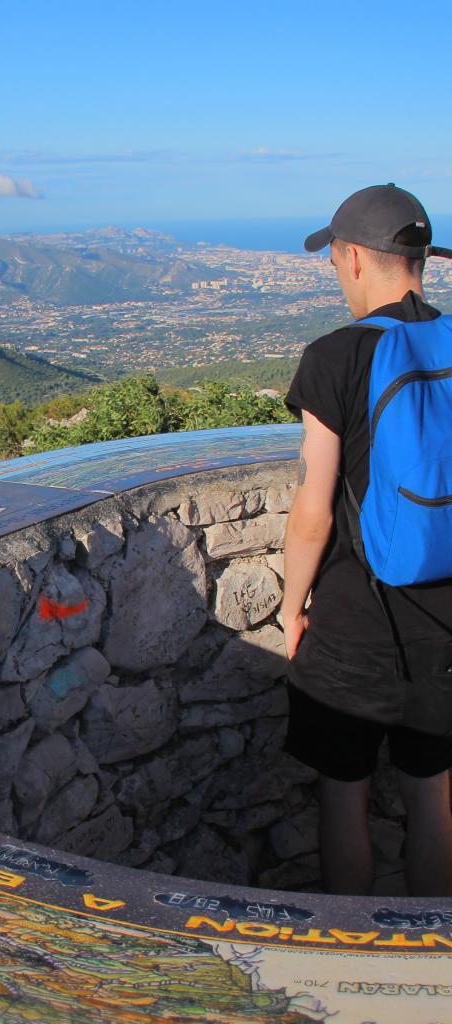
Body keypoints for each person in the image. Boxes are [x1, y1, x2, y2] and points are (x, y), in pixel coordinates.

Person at [281, 183, 452, 897]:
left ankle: (347, 959)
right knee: (435, 800)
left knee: (343, 797)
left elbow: (313, 509)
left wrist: (292, 609)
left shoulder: (333, 356)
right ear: (420, 260)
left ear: (353, 258)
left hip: (357, 615)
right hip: (446, 618)